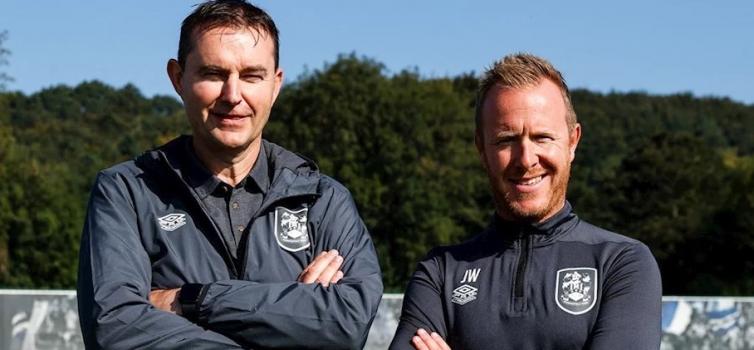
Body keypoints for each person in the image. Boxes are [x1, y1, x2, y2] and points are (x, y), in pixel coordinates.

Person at [77, 1, 382, 349]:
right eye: (213, 74)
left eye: (252, 76)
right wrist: (291, 315)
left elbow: (347, 323)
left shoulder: (323, 199)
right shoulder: (127, 192)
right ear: (178, 78)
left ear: (275, 84)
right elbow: (115, 329)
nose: (233, 95)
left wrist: (192, 300)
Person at [389, 53, 662, 350]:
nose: (526, 159)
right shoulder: (440, 272)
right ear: (482, 149)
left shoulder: (621, 263)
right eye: (506, 140)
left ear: (572, 142)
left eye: (542, 137)